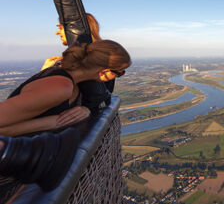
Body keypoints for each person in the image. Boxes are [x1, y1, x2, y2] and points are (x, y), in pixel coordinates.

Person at [0, 40, 131, 137]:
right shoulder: (60, 87)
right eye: (120, 73)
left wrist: (87, 109)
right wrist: (54, 122)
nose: (118, 76)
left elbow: (103, 98)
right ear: (105, 71)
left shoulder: (75, 83)